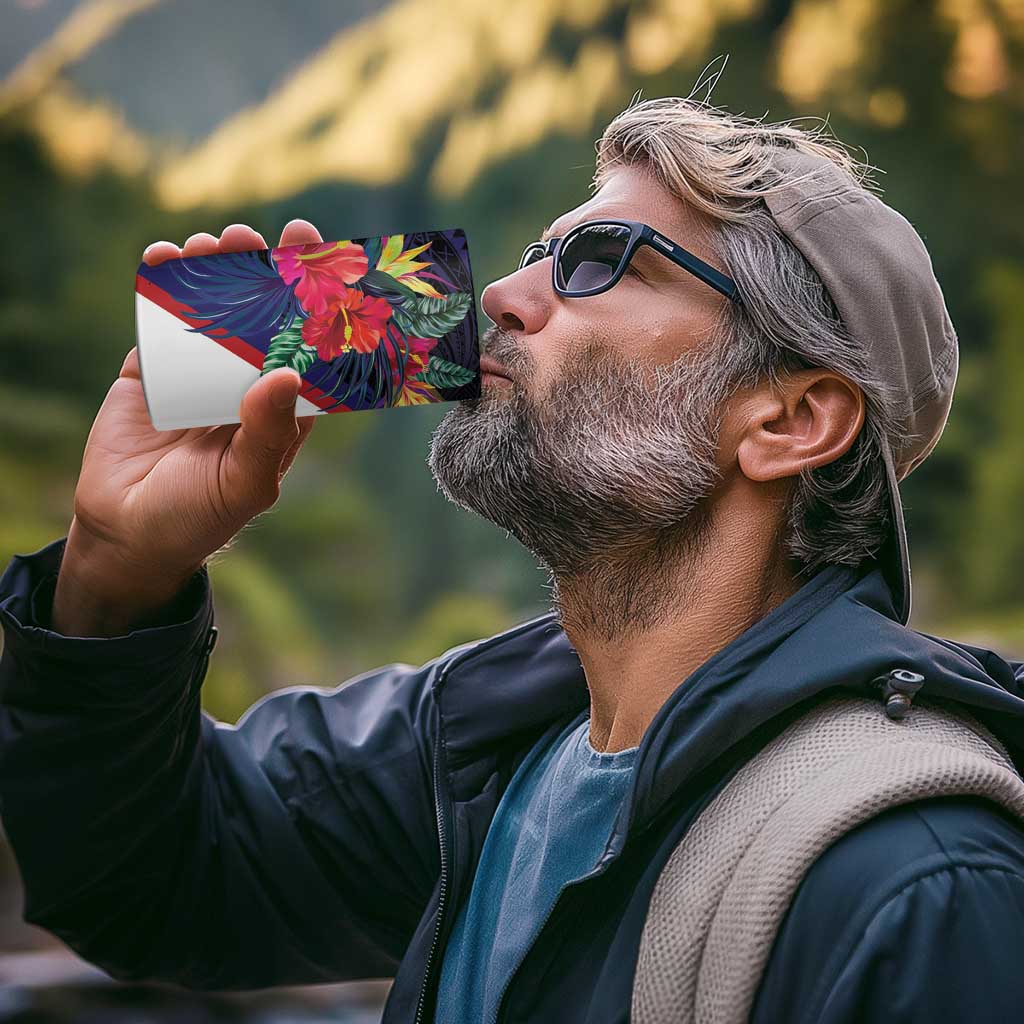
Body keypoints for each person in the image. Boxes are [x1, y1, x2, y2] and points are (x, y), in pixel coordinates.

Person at [2, 95, 1024, 1024]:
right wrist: (115, 572)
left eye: (600, 261)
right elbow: (149, 880)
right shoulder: (480, 748)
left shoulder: (918, 884)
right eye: (540, 251)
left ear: (791, 419)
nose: (498, 291)